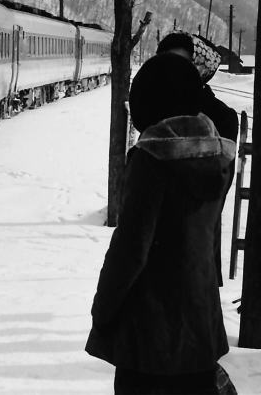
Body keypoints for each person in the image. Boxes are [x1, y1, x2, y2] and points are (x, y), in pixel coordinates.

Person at [85, 53, 237, 395]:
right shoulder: (219, 155)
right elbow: (210, 244)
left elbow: (131, 247)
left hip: (150, 333)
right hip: (199, 323)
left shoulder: (152, 159)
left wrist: (103, 307)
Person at [156, 31, 238, 286]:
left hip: (195, 248)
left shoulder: (221, 117)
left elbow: (215, 186)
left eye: (183, 64)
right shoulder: (155, 107)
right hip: (152, 244)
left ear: (200, 68)